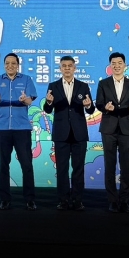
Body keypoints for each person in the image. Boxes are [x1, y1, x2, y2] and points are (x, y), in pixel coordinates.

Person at [42, 55, 94, 210]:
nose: (67, 68)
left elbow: (91, 109)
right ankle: (63, 200)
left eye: (69, 66)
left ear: (74, 68)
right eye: (64, 66)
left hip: (79, 134)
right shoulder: (53, 86)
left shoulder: (83, 86)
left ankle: (77, 200)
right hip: (61, 134)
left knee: (78, 169)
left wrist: (88, 105)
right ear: (60, 68)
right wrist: (49, 102)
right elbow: (47, 109)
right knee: (62, 169)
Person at [0, 52, 38, 210]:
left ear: (18, 65)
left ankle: (30, 199)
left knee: (26, 164)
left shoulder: (26, 79)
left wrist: (25, 100)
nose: (10, 66)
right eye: (7, 63)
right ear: (4, 65)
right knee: (3, 165)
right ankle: (4, 199)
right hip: (2, 128)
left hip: (22, 128)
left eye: (13, 63)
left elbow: (30, 100)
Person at [95, 52, 129, 213]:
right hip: (108, 128)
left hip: (126, 128)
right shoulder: (103, 83)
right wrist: (105, 108)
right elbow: (99, 103)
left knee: (126, 165)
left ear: (124, 65)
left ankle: (125, 201)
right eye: (113, 63)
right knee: (110, 165)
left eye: (119, 63)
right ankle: (112, 200)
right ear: (110, 66)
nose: (117, 66)